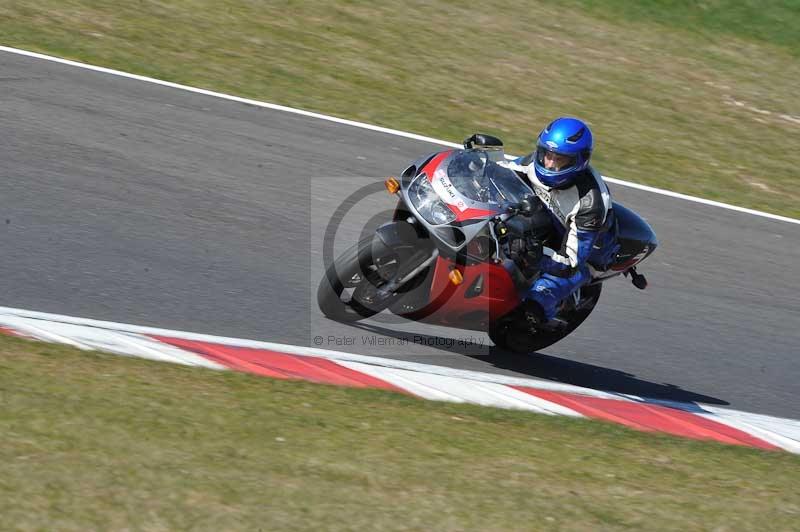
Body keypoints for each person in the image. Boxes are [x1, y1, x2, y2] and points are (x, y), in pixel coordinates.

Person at [472, 117, 618, 325]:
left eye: (560, 160)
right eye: (546, 155)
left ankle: (542, 315)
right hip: (546, 222)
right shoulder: (533, 163)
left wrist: (534, 253)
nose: (549, 163)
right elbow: (502, 172)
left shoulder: (590, 203)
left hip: (587, 251)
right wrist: (477, 164)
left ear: (579, 160)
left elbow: (571, 263)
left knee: (534, 304)